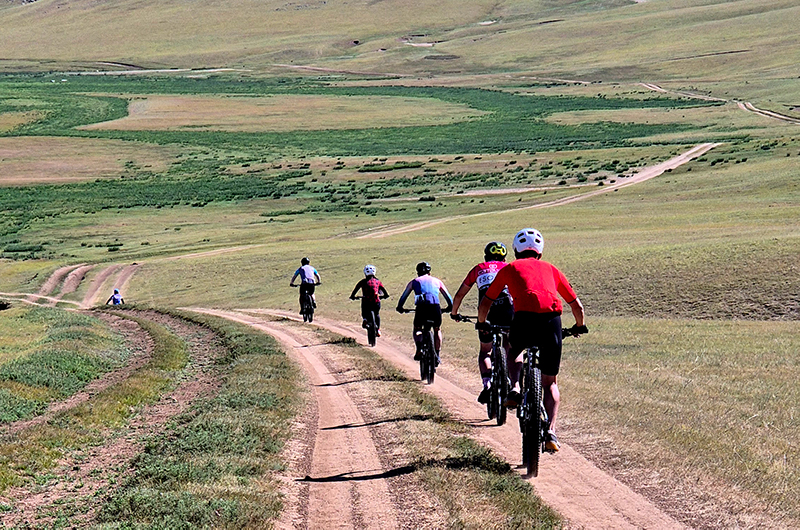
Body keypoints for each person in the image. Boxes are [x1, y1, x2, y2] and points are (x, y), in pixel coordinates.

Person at [477, 228, 586, 452]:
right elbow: (577, 306)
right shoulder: (552, 269)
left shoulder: (510, 268)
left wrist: (481, 322)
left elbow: (487, 300)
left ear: (516, 251)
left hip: (523, 320)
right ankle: (551, 432)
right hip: (551, 323)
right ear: (540, 251)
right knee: (551, 383)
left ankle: (515, 387)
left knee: (514, 351)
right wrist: (579, 326)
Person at [450, 242, 514, 404]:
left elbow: (459, 295)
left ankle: (487, 385)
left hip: (486, 312)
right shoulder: (509, 267)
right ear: (504, 257)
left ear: (486, 256)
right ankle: (508, 375)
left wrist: (454, 313)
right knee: (509, 343)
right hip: (508, 310)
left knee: (485, 352)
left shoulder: (479, 268)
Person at [396, 262, 453, 365]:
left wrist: (400, 307)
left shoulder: (414, 282)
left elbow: (404, 296)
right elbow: (448, 297)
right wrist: (450, 307)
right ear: (429, 272)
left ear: (418, 272)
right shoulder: (437, 281)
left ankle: (419, 348)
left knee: (417, 328)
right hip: (435, 307)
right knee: (437, 329)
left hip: (421, 308)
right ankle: (437, 354)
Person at [349, 264, 390, 336]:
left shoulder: (362, 282)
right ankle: (378, 330)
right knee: (377, 314)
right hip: (376, 302)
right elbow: (385, 292)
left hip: (366, 302)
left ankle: (365, 319)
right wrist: (385, 296)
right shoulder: (378, 281)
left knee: (364, 310)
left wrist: (353, 296)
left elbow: (355, 290)